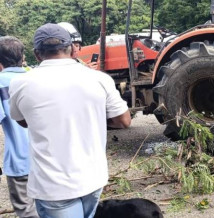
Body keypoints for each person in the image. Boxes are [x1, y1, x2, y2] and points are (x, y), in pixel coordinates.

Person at [9, 23, 131, 217]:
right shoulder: (100, 79)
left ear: (37, 54)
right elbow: (124, 121)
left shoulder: (20, 84)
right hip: (93, 179)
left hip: (53, 187)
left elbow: (22, 121)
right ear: (71, 49)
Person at [0, 36, 38, 217]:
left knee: (26, 211)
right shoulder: (37, 78)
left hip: (20, 160)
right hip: (51, 159)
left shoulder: (1, 83)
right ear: (22, 56)